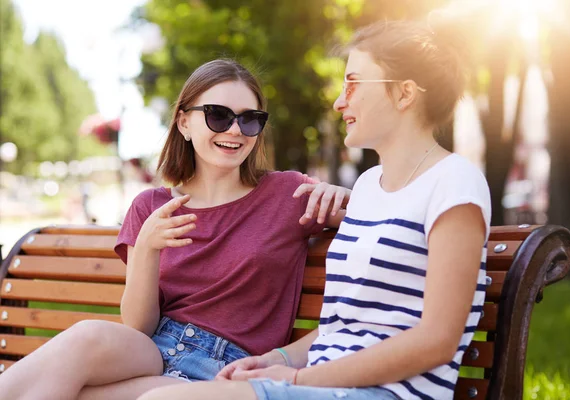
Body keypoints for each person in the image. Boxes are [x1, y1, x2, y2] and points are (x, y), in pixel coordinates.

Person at [137, 15, 492, 400]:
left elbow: (437, 341)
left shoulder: (455, 183)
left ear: (405, 94)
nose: (340, 102)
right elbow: (342, 328)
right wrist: (276, 361)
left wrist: (295, 381)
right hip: (325, 386)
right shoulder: (369, 187)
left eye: (354, 83)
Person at [0, 59, 350, 400]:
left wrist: (346, 197)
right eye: (218, 115)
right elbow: (138, 327)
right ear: (184, 123)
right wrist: (149, 248)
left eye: (250, 120)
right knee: (86, 336)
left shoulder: (288, 195)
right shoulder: (150, 206)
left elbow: (385, 222)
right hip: (151, 351)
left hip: (225, 371)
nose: (234, 130)